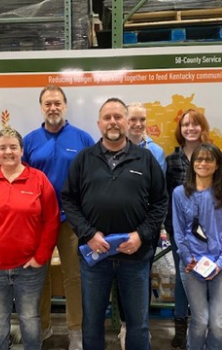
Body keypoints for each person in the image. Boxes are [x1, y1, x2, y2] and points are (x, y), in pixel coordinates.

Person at [61, 97, 168, 350]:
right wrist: (88, 235)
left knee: (138, 323)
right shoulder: (84, 159)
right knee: (92, 322)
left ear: (126, 122)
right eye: (107, 117)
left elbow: (160, 203)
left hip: (135, 256)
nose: (113, 122)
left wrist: (141, 235)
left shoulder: (145, 159)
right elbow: (69, 200)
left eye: (118, 117)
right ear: (99, 123)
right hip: (95, 257)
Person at [0, 126, 60, 350]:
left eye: (13, 147)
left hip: (30, 269)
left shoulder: (39, 180)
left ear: (22, 151)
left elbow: (52, 221)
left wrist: (41, 256)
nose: (8, 152)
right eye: (3, 147)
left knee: (29, 319)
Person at [23, 85, 95, 350]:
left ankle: (76, 330)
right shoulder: (29, 141)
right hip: (38, 222)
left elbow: (91, 181)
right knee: (37, 277)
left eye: (57, 103)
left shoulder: (83, 139)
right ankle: (42, 327)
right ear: (41, 107)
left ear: (65, 106)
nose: (52, 107)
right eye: (47, 103)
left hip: (71, 222)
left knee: (74, 277)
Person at [117, 102, 167, 349]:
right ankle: (125, 324)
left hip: (146, 227)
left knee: (142, 276)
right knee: (118, 273)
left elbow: (159, 193)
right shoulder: (112, 149)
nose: (138, 125)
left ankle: (141, 326)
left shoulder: (156, 152)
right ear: (125, 121)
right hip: (119, 223)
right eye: (133, 119)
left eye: (142, 120)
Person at [165, 108, 210, 350]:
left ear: (202, 127)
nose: (190, 129)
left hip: (210, 234)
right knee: (184, 279)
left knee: (211, 278)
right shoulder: (171, 160)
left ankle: (207, 326)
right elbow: (165, 197)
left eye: (194, 124)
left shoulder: (213, 156)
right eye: (185, 125)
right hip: (179, 233)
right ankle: (180, 327)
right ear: (180, 130)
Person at [172, 142, 222, 350]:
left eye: (209, 159)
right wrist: (188, 258)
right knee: (200, 321)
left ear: (217, 165)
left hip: (219, 266)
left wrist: (219, 263)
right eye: (199, 159)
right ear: (192, 164)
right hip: (193, 266)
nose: (203, 163)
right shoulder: (179, 194)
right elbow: (179, 231)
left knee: (218, 324)